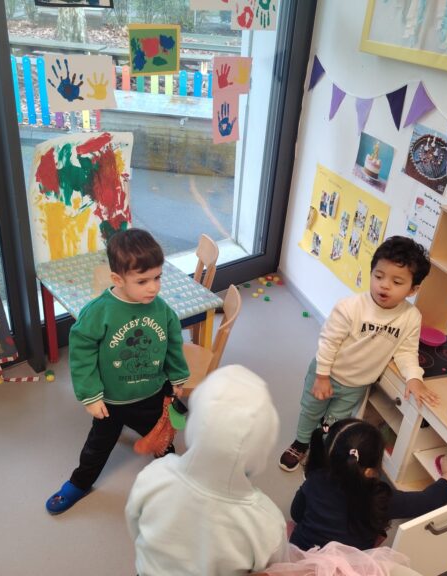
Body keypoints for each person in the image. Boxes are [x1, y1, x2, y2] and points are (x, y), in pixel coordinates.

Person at [45, 228, 190, 515]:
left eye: (157, 277)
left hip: (151, 394)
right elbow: (82, 352)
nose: (153, 288)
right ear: (117, 279)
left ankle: (173, 476)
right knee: (96, 448)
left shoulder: (161, 309)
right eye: (143, 281)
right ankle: (79, 483)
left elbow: (173, 341)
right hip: (111, 402)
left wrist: (177, 375)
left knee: (163, 440)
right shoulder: (99, 311)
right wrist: (90, 395)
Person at [280, 235, 437, 472]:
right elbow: (328, 342)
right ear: (371, 273)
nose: (384, 285)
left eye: (397, 281)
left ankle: (321, 449)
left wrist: (414, 377)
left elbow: (406, 351)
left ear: (413, 289)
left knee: (334, 421)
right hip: (327, 373)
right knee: (311, 411)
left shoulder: (410, 317)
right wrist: (322, 376)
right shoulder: (350, 307)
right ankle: (301, 443)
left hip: (356, 384)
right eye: (378, 276)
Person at [125, 364, 289, 575]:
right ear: (263, 444)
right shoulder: (267, 524)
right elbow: (276, 570)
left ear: (196, 423)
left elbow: (135, 527)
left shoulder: (154, 476)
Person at [289, 418, 447, 551]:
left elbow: (296, 514)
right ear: (370, 471)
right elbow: (428, 501)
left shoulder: (315, 478)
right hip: (347, 566)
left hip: (303, 555)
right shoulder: (380, 497)